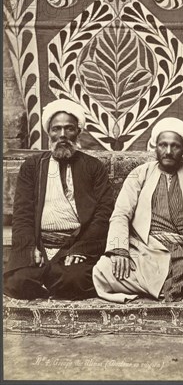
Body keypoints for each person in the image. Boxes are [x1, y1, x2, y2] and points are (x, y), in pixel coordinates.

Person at [93, 118, 183, 303]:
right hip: (145, 249)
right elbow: (121, 214)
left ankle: (157, 288)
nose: (169, 152)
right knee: (104, 270)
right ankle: (180, 287)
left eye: (175, 146)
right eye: (163, 145)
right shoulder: (140, 173)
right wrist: (119, 250)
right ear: (155, 147)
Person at [4, 100, 115, 300]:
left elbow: (104, 212)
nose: (62, 135)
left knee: (75, 280)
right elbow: (22, 213)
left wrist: (81, 249)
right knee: (18, 282)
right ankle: (52, 281)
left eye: (69, 129)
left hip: (74, 246)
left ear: (78, 132)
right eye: (57, 129)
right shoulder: (32, 166)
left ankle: (51, 282)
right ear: (49, 133)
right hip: (40, 244)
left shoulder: (93, 167)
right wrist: (30, 249)